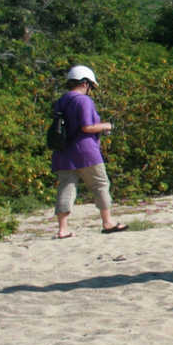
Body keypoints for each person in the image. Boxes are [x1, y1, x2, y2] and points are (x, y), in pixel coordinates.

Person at [50, 64, 126, 238]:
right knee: (100, 184)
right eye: (91, 85)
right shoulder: (83, 100)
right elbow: (87, 126)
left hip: (63, 152)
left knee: (66, 188)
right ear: (85, 83)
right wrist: (106, 125)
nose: (90, 89)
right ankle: (108, 222)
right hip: (85, 151)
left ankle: (62, 229)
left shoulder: (61, 101)